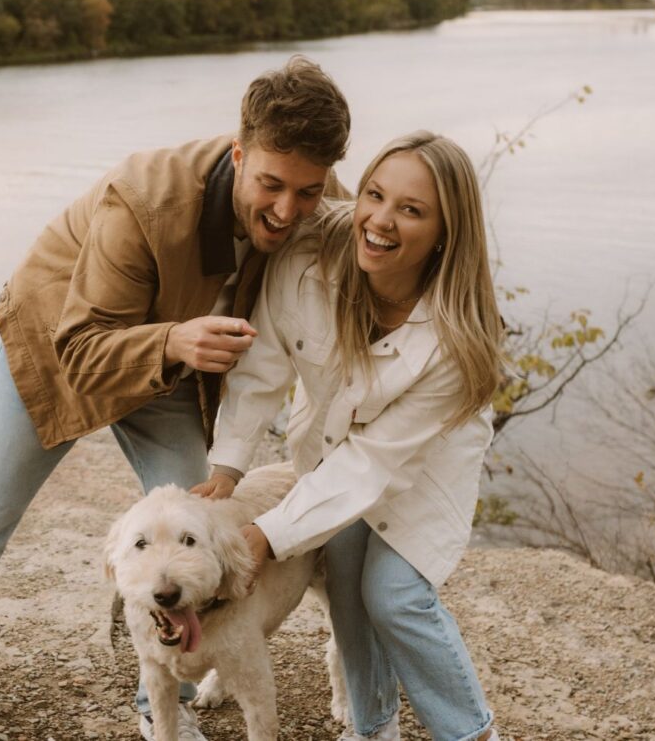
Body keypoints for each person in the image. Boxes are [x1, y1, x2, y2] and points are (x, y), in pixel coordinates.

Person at [0, 56, 351, 741]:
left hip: (166, 370)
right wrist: (174, 341)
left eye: (307, 192)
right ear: (238, 152)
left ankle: (155, 698)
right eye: (271, 185)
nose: (287, 210)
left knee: (198, 517)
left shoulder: (311, 189)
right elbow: (80, 343)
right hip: (58, 347)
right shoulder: (145, 198)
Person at [194, 131, 505, 740]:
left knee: (393, 596)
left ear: (446, 231)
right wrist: (227, 467)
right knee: (343, 581)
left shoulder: (453, 341)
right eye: (374, 195)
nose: (380, 221)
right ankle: (372, 728)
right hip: (329, 451)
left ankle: (473, 734)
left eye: (411, 210)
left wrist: (267, 533)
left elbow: (372, 465)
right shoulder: (307, 254)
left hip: (422, 460)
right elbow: (262, 371)